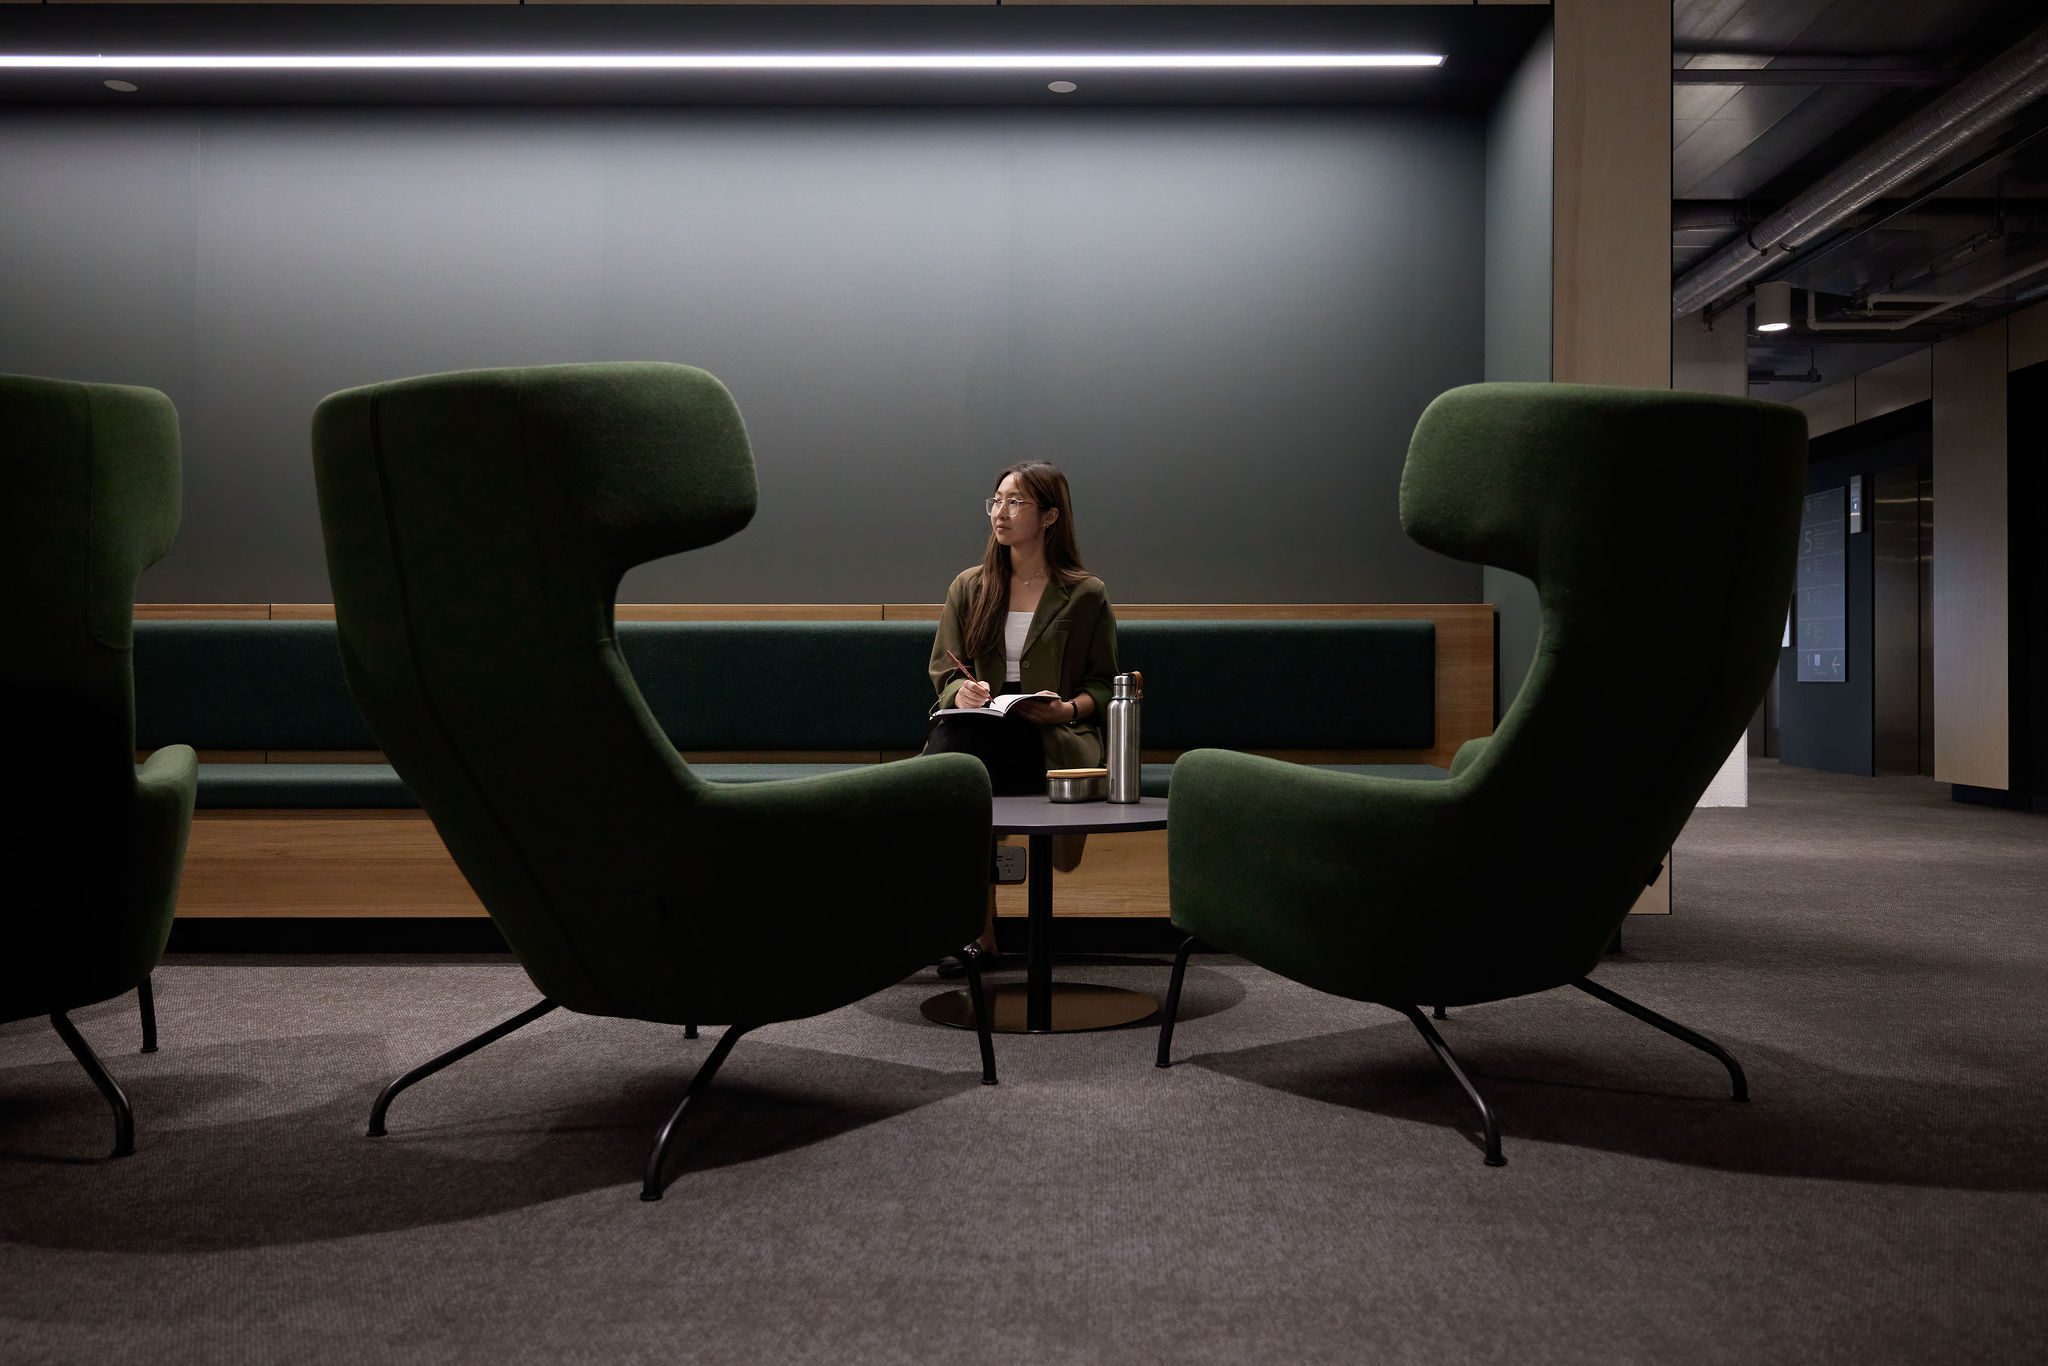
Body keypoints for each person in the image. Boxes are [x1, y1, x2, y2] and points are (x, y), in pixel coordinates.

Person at [925, 461, 1118, 974]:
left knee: (953, 766)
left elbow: (1103, 684)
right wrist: (961, 691)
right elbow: (945, 669)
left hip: (1050, 735)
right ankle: (979, 931)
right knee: (958, 753)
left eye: (1015, 502)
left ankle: (971, 930)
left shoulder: (1084, 593)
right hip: (981, 728)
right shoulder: (969, 587)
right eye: (995, 501)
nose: (1000, 513)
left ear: (1050, 516)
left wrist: (1065, 709)